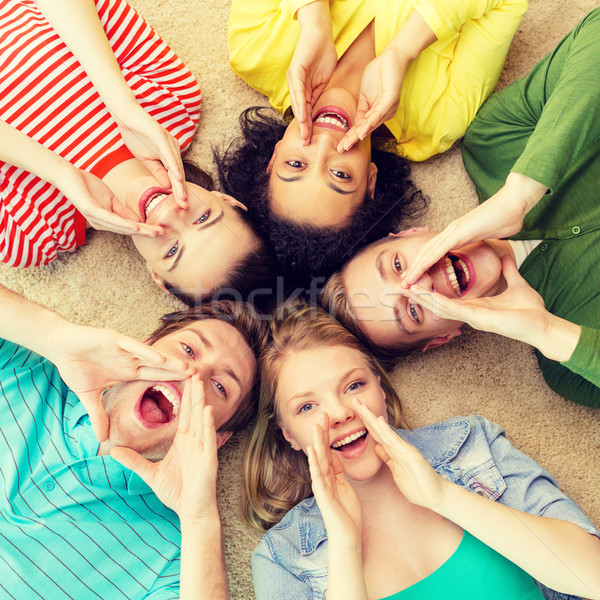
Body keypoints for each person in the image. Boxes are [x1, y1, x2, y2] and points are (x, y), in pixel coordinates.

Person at [321, 8, 600, 407]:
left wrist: (521, 193)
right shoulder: (566, 358)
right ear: (443, 337)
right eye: (413, 311)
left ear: (410, 234)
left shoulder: (494, 143)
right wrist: (546, 331)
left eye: (399, 266)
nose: (420, 283)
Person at [244, 304, 600, 600]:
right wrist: (345, 547)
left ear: (380, 390)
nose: (339, 414)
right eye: (307, 407)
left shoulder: (472, 445)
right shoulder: (282, 558)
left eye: (353, 385)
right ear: (288, 434)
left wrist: (444, 496)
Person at [216, 0, 526, 284]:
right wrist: (403, 49)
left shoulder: (253, 48)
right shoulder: (439, 119)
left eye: (296, 164)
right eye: (340, 175)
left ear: (273, 157)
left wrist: (315, 22)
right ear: (371, 181)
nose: (325, 144)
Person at [0, 280, 269, 598]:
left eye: (221, 386)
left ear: (217, 438)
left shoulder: (171, 558)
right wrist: (54, 337)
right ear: (146, 344)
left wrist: (199, 518)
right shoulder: (27, 369)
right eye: (187, 350)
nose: (192, 374)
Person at [0, 0, 275, 303]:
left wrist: (58, 173)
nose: (169, 214)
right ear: (226, 199)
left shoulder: (32, 237)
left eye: (172, 251)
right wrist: (122, 105)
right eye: (203, 217)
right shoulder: (174, 104)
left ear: (157, 276)